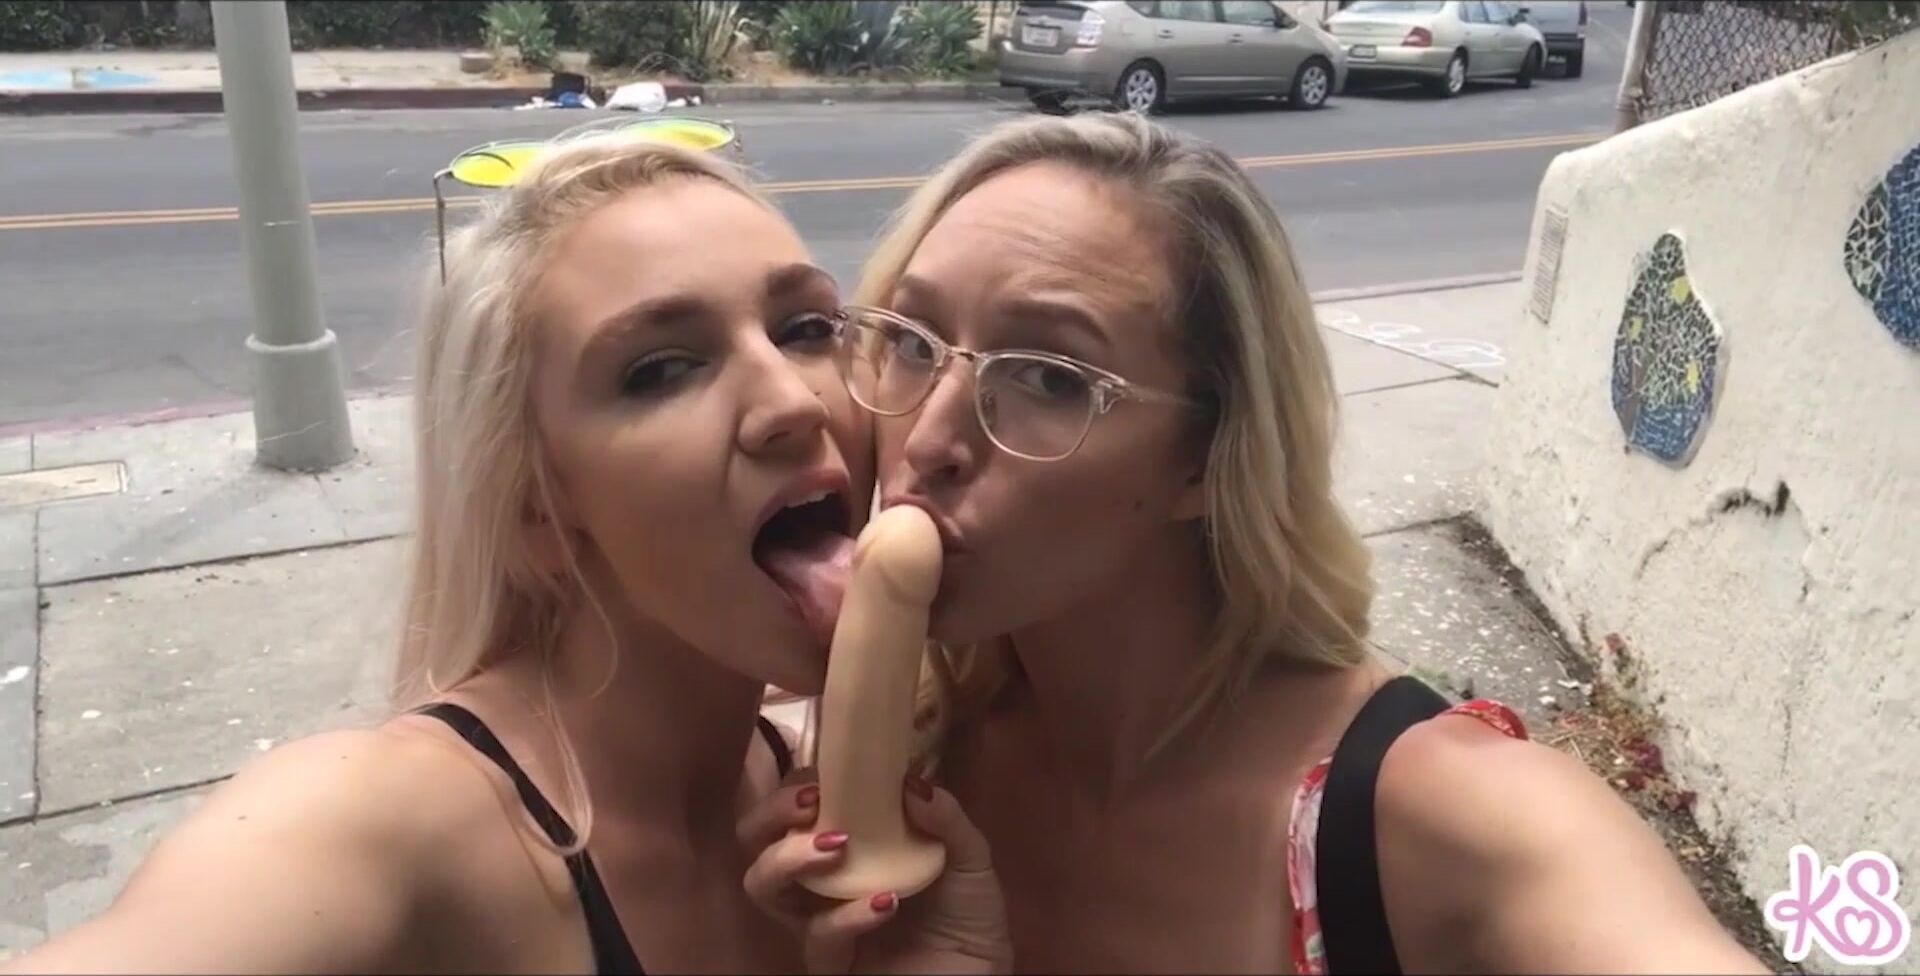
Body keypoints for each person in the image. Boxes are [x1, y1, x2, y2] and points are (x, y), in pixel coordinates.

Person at [747, 112, 1771, 974]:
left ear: (1207, 456)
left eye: (1050, 378)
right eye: (910, 343)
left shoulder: (1449, 821)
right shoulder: (902, 757)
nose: (929, 440)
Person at [2, 134, 979, 974]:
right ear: (535, 509)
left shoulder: (820, 802)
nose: (795, 402)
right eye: (661, 370)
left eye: (805, 328)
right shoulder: (389, 828)